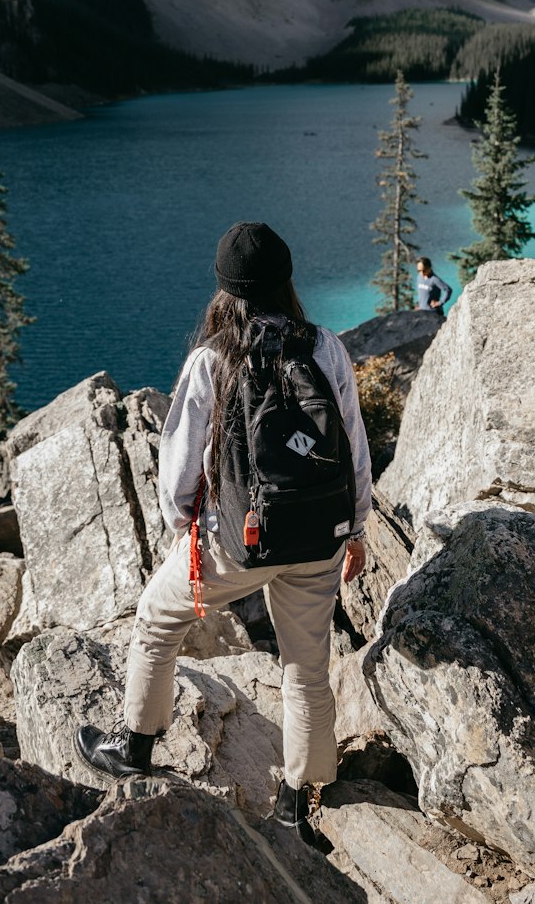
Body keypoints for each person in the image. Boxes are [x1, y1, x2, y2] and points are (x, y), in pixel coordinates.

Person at [76, 220, 373, 833]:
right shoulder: (324, 346)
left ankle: (133, 749)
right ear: (287, 281)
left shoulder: (214, 360)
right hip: (320, 534)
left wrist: (185, 525)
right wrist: (357, 528)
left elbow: (180, 468)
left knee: (158, 618)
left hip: (238, 541)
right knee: (306, 667)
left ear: (226, 291)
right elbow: (354, 445)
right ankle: (302, 802)